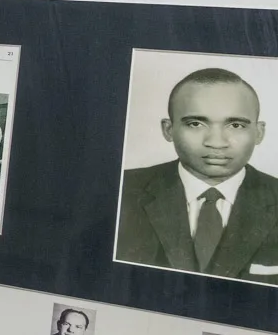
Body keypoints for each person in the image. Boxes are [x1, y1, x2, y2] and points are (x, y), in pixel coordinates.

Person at [116, 68, 278, 281]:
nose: (216, 142)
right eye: (195, 124)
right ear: (168, 129)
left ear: (259, 132)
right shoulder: (120, 190)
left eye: (236, 125)